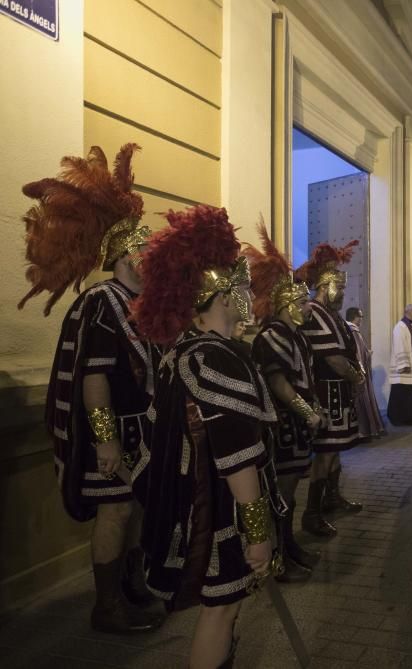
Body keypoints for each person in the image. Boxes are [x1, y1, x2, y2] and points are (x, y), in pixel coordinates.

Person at [17, 144, 165, 634]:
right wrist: (104, 440)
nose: (152, 258)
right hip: (114, 433)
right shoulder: (104, 303)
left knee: (137, 507)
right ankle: (107, 607)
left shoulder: (138, 305)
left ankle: (132, 584)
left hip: (142, 431)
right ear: (124, 255)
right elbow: (95, 376)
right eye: (145, 250)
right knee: (117, 511)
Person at [131, 205, 276, 669]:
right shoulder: (215, 357)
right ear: (226, 296)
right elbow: (236, 457)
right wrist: (258, 533)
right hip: (219, 512)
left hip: (208, 504)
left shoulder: (190, 351)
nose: (252, 295)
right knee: (222, 607)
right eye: (245, 287)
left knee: (223, 609)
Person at [245, 223, 321, 582]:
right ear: (289, 305)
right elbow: (278, 382)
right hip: (282, 424)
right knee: (281, 493)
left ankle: (289, 546)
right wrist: (307, 413)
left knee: (290, 491)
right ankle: (278, 558)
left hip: (297, 424)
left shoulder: (295, 336)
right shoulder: (274, 336)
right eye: (303, 302)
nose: (308, 308)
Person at [294, 242, 366, 537]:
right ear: (326, 286)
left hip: (340, 391)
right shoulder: (314, 312)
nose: (343, 293)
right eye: (339, 287)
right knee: (325, 452)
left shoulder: (332, 314)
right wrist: (357, 378)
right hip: (327, 391)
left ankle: (332, 497)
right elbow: (333, 358)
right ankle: (312, 513)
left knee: (335, 450)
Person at [345, 306, 387, 440]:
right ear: (355, 317)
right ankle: (363, 431)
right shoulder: (353, 331)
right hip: (359, 373)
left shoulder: (348, 330)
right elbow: (357, 354)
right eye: (360, 316)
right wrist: (362, 367)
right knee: (361, 400)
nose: (362, 319)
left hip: (357, 370)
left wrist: (366, 353)